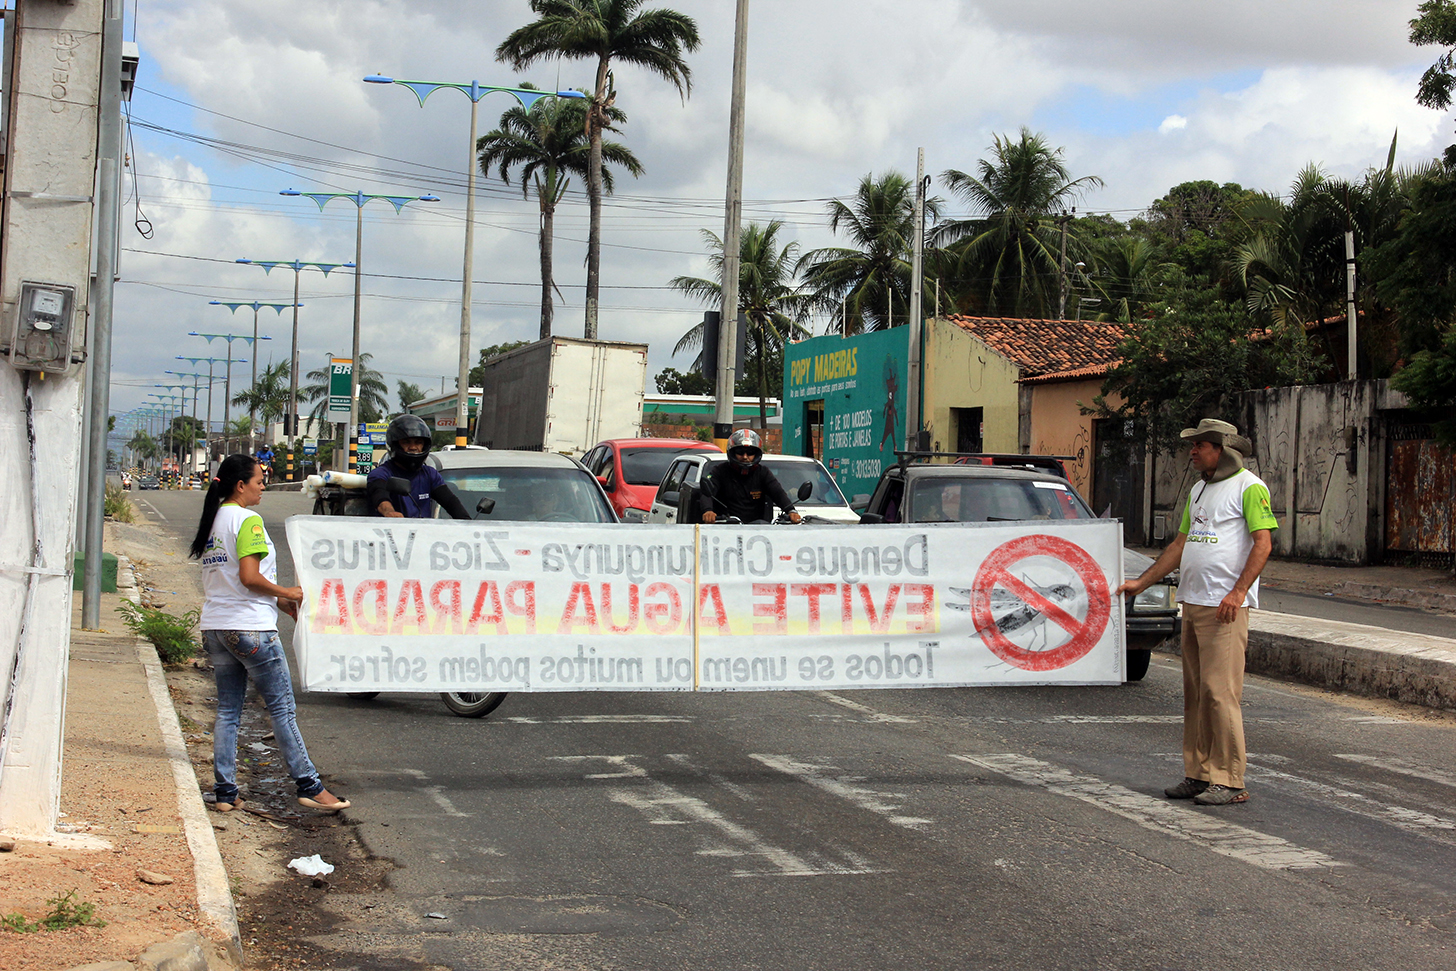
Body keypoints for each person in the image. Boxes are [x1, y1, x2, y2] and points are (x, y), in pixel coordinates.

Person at [1115, 418, 1277, 807]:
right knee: (1196, 694)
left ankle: (1230, 779)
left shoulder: (1249, 488)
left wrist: (1238, 593)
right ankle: (1199, 772)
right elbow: (1180, 544)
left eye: (1200, 445)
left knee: (1220, 694)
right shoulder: (1200, 490)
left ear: (1221, 449)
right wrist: (1143, 581)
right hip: (1194, 602)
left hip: (1224, 608)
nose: (1192, 452)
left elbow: (1263, 543)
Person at [189, 454, 351, 813]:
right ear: (240, 485)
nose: (264, 486)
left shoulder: (213, 521)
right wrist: (288, 593)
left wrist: (278, 603)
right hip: (250, 629)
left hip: (216, 627)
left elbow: (233, 583)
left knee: (229, 709)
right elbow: (248, 577)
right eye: (259, 480)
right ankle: (309, 785)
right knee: (282, 710)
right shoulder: (248, 520)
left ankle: (225, 792)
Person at [366, 415, 470, 520]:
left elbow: (450, 502)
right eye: (406, 442)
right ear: (395, 445)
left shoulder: (430, 474)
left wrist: (469, 524)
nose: (413, 447)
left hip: (422, 533)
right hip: (391, 532)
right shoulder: (381, 474)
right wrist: (390, 512)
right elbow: (380, 498)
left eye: (418, 442)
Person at [697, 428, 802, 525]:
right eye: (740, 452)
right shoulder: (720, 471)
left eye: (750, 453)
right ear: (732, 453)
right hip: (726, 526)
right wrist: (708, 511)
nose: (745, 457)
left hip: (758, 529)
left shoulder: (763, 472)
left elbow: (777, 492)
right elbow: (707, 493)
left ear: (757, 454)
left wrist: (791, 511)